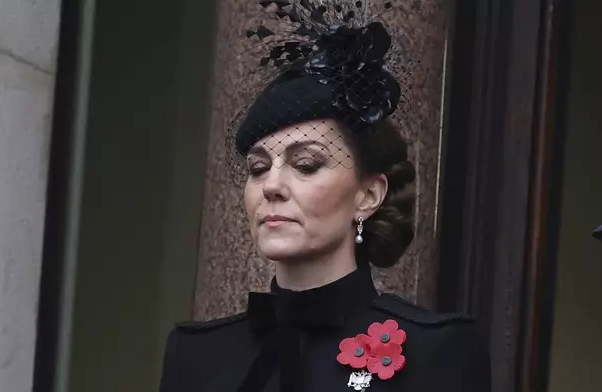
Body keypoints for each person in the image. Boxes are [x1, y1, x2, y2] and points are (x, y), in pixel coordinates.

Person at [159, 1, 491, 391]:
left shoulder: (435, 351)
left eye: (306, 165)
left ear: (368, 195)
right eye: (258, 168)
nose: (272, 186)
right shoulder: (198, 355)